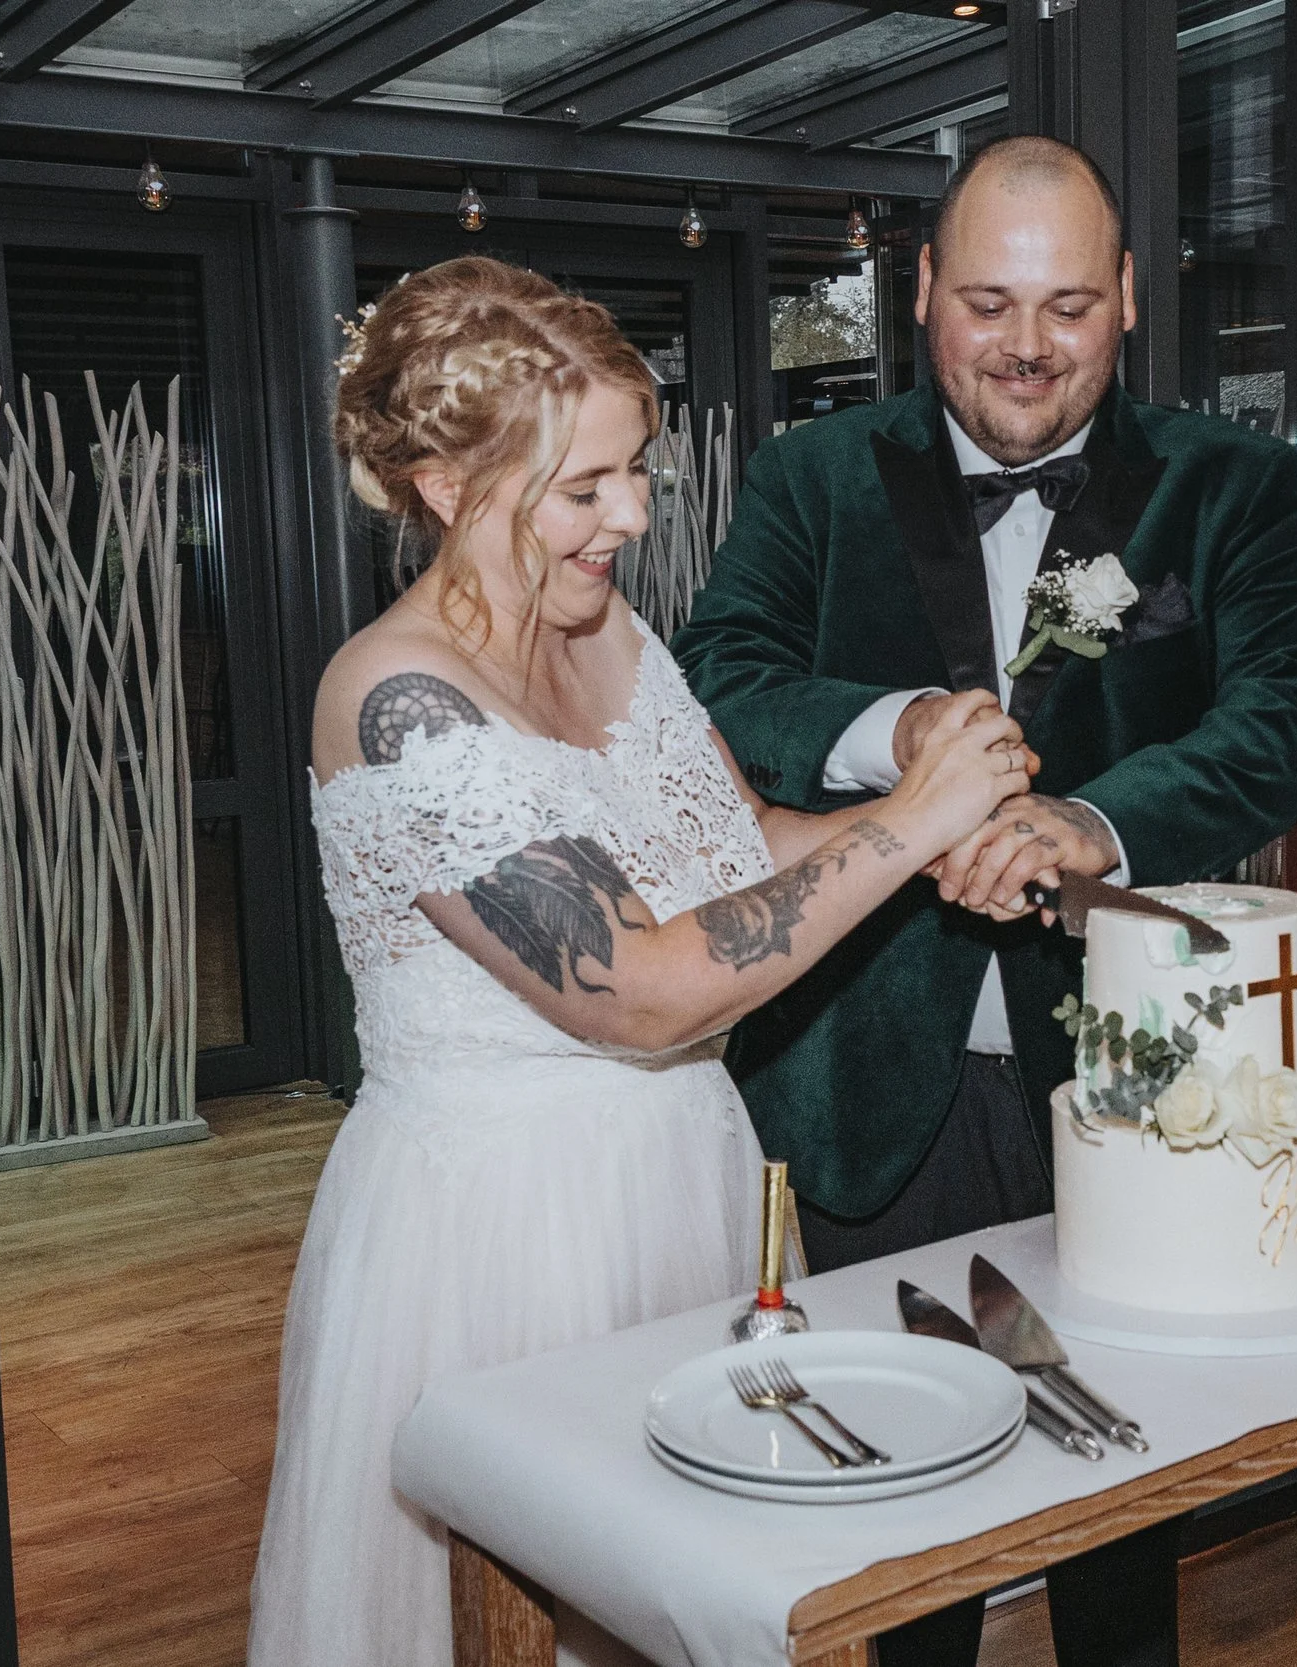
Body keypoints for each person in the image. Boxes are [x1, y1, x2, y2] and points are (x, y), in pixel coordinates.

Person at [247, 256, 1036, 1667]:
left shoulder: (606, 627)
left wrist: (947, 828)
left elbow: (745, 849)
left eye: (636, 471)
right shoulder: (394, 701)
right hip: (501, 1236)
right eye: (584, 488)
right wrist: (914, 822)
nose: (632, 515)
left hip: (686, 1181)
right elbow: (643, 987)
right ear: (446, 486)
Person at [671, 136, 1297, 1667]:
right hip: (868, 1081)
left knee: (1119, 1484)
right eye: (988, 302)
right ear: (922, 291)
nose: (1027, 345)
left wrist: (1095, 823)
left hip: (1131, 1083)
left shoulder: (1237, 484)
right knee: (900, 1510)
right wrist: (900, 733)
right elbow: (720, 675)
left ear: (1129, 298)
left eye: (1067, 305)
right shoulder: (808, 478)